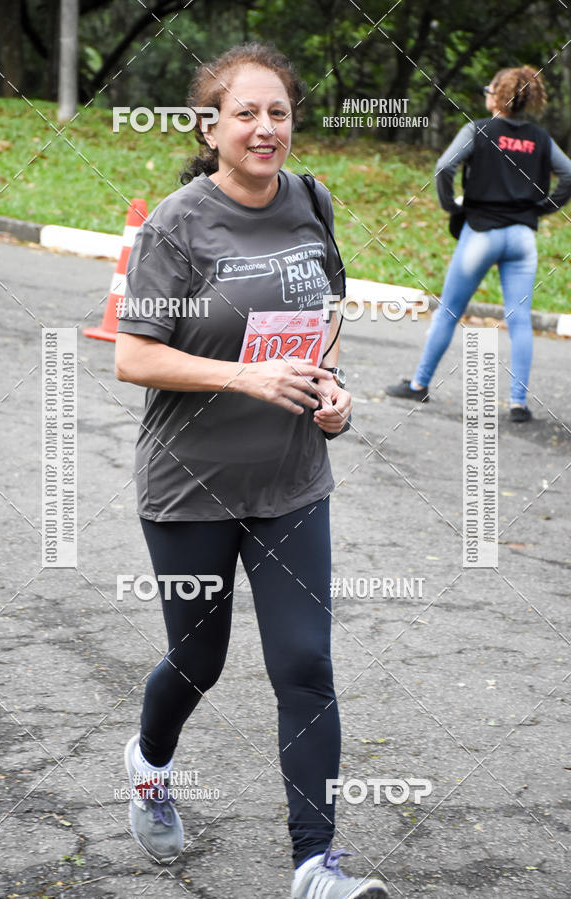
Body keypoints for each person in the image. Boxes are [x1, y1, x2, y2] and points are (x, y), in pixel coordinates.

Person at [115, 42, 388, 899]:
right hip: (190, 487)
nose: (265, 128)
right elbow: (131, 354)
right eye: (246, 113)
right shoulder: (176, 224)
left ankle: (316, 864)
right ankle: (151, 763)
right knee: (198, 660)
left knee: (306, 665)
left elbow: (325, 312)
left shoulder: (312, 202)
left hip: (291, 483)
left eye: (278, 113)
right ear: (212, 126)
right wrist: (244, 374)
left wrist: (331, 388)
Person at [386, 65, 571, 421]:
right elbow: (568, 175)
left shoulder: (478, 130)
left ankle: (418, 385)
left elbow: (444, 168)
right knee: (520, 320)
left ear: (498, 96)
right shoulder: (540, 139)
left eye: (490, 88)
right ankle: (518, 405)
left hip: (480, 234)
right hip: (522, 237)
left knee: (450, 311)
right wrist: (542, 209)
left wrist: (451, 205)